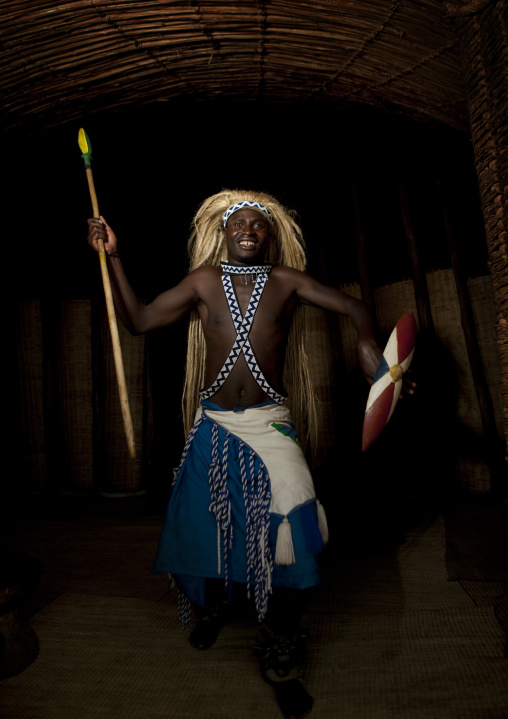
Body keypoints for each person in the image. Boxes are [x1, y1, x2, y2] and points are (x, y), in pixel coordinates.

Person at [87, 189, 384, 719]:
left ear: (270, 236)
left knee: (296, 529)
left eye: (258, 223)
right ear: (223, 233)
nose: (248, 228)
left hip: (270, 428)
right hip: (215, 426)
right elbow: (140, 319)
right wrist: (113, 255)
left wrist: (368, 345)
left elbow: (354, 304)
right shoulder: (202, 281)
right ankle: (214, 604)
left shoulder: (286, 282)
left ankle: (283, 654)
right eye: (237, 222)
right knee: (196, 528)